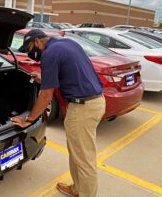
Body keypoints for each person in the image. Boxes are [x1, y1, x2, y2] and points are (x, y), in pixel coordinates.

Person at [11, 29, 106, 197]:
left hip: (82, 108)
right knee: (78, 152)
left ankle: (86, 194)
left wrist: (29, 120)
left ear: (38, 42)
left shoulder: (49, 54)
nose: (30, 53)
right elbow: (71, 73)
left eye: (30, 48)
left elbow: (46, 95)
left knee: (84, 159)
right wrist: (46, 79)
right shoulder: (68, 43)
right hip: (96, 101)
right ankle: (78, 189)